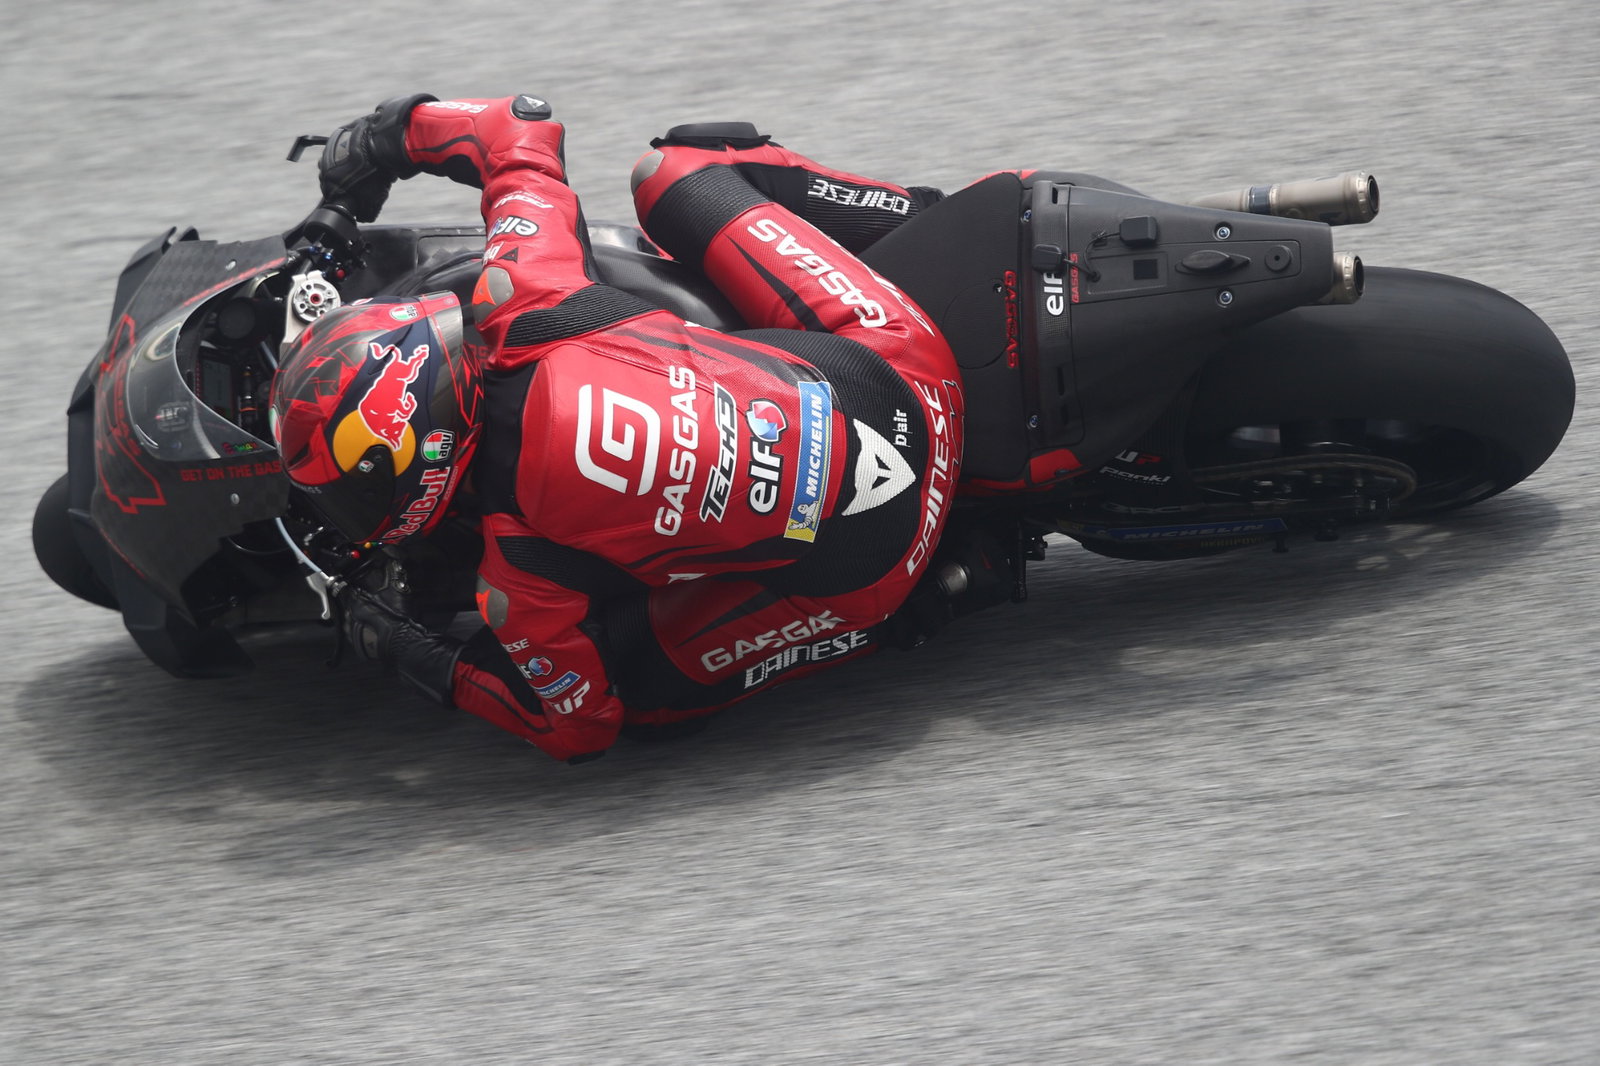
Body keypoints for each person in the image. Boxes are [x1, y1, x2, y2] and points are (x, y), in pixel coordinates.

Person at [270, 93, 967, 763]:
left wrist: (407, 650)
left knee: (640, 702)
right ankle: (926, 226)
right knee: (678, 169)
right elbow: (519, 123)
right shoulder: (533, 294)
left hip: (886, 569)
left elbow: (579, 730)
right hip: (912, 366)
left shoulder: (518, 583)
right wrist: (382, 140)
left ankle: (945, 589)